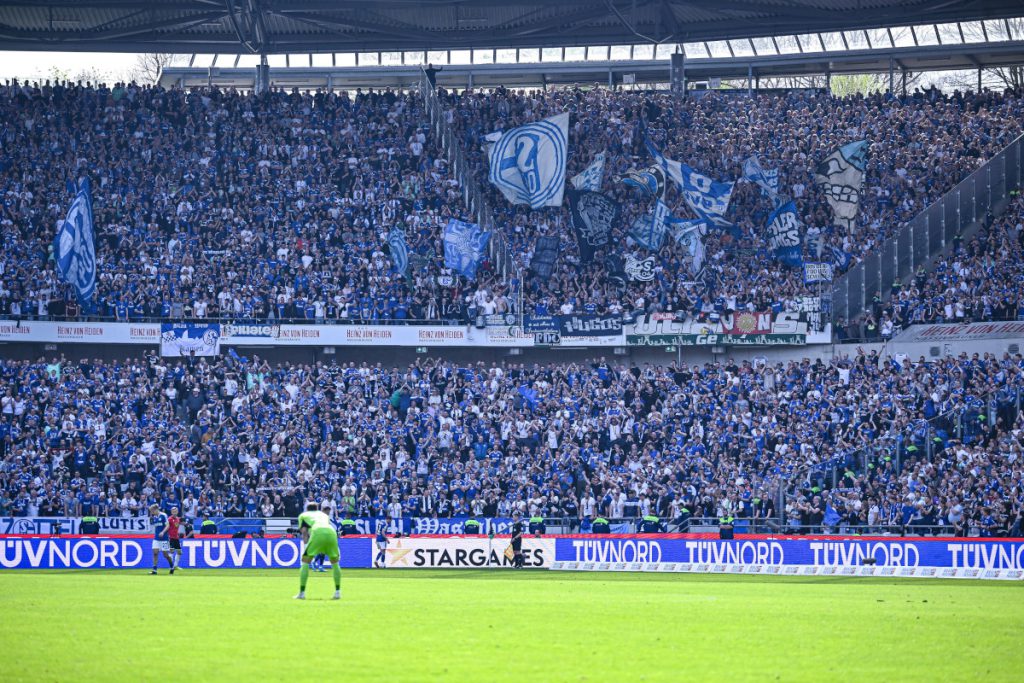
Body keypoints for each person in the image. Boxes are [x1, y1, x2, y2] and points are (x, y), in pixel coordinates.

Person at [294, 502, 341, 600]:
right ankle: (337, 592)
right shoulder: (323, 515)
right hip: (331, 532)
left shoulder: (303, 515)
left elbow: (304, 532)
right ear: (317, 508)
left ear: (307, 509)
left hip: (317, 532)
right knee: (335, 563)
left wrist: (306, 545)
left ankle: (302, 593)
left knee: (305, 562)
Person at [149, 504, 174, 575]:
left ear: (156, 509)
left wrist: (163, 532)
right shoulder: (154, 517)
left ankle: (172, 566)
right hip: (156, 538)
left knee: (165, 555)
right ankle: (154, 570)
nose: (151, 512)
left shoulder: (163, 515)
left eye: (152, 511)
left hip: (164, 538)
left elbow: (168, 525)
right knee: (155, 553)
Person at [167, 506, 183, 571]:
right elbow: (167, 528)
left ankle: (175, 566)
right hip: (171, 537)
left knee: (179, 552)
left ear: (177, 512)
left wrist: (178, 534)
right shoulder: (169, 519)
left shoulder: (178, 519)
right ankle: (171, 566)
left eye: (175, 511)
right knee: (171, 551)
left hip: (176, 537)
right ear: (171, 512)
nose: (174, 513)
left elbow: (176, 528)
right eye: (173, 511)